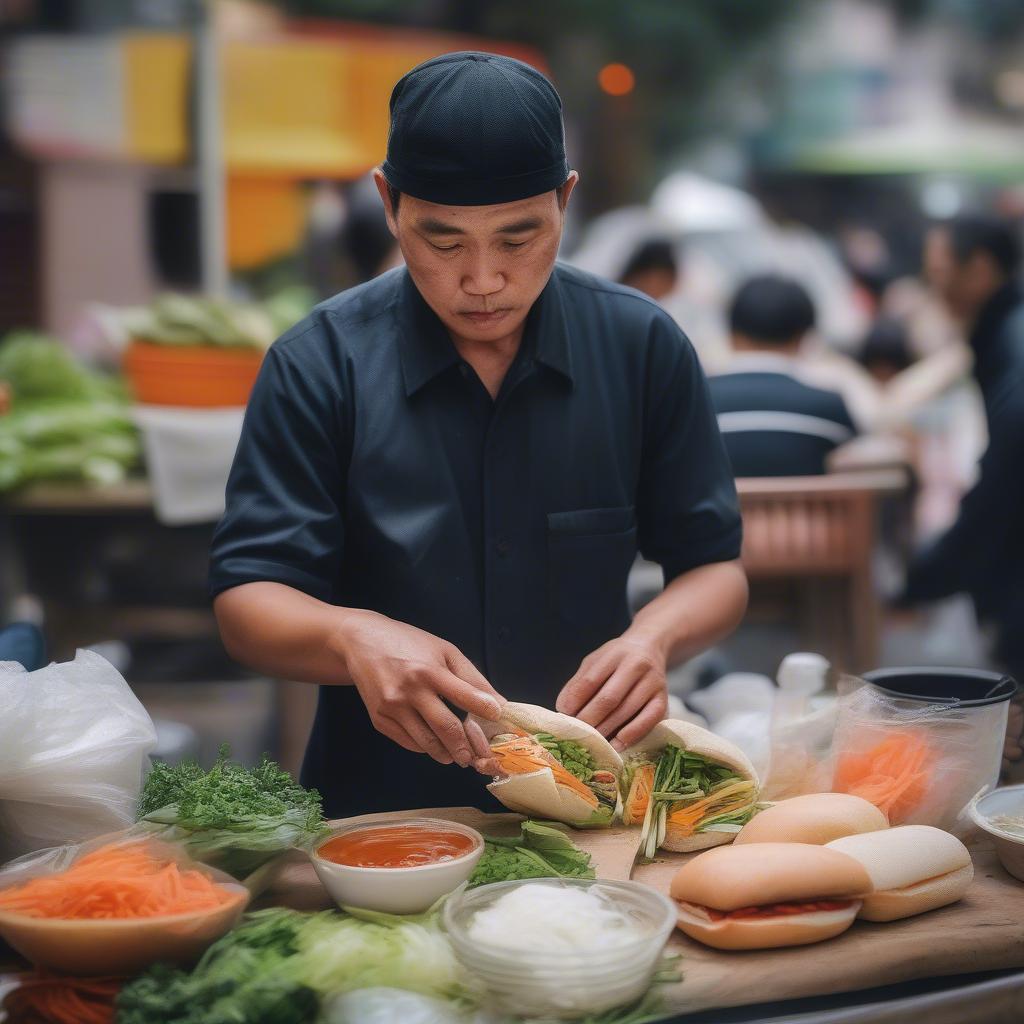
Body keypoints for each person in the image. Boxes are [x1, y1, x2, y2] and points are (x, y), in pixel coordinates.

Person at [209, 52, 747, 817]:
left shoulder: (642, 345)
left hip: (593, 801)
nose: (484, 279)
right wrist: (351, 636)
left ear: (565, 201)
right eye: (443, 240)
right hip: (381, 807)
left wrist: (653, 638)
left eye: (518, 238)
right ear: (388, 203)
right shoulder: (319, 363)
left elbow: (715, 570)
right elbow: (247, 604)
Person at [900, 215, 1024, 706]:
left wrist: (934, 570)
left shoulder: (1011, 336)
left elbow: (1008, 468)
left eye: (941, 270)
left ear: (981, 269)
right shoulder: (1002, 329)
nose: (935, 285)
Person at [708, 274, 858, 478]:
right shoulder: (829, 407)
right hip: (808, 511)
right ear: (803, 337)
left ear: (732, 334)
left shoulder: (698, 401)